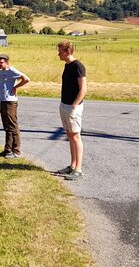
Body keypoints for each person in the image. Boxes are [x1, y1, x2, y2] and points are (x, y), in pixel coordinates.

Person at [56, 40, 87, 181]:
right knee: (70, 136)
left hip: (73, 107)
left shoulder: (78, 66)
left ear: (68, 51)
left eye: (60, 51)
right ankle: (72, 166)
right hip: (64, 104)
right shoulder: (67, 66)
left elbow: (83, 89)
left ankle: (78, 169)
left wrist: (74, 105)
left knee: (76, 136)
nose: (58, 54)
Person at [0, 53, 30, 159]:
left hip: (10, 102)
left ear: (6, 62)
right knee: (7, 126)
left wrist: (16, 87)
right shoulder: (1, 72)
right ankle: (7, 150)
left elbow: (26, 79)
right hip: (3, 100)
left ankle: (16, 151)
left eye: (0, 62)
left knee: (13, 126)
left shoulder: (12, 70)